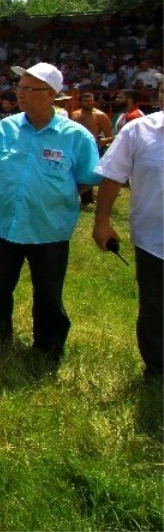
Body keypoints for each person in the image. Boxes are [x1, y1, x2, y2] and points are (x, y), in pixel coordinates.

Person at [0, 62, 101, 361]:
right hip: (3, 225)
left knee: (48, 294)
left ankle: (48, 347)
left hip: (49, 229)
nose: (21, 94)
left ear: (51, 94)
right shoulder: (7, 128)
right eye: (20, 88)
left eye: (30, 89)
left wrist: (54, 196)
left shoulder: (75, 136)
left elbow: (86, 179)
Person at [93, 82, 164, 381]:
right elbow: (112, 178)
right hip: (154, 240)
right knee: (155, 310)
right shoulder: (139, 131)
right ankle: (157, 369)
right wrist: (102, 222)